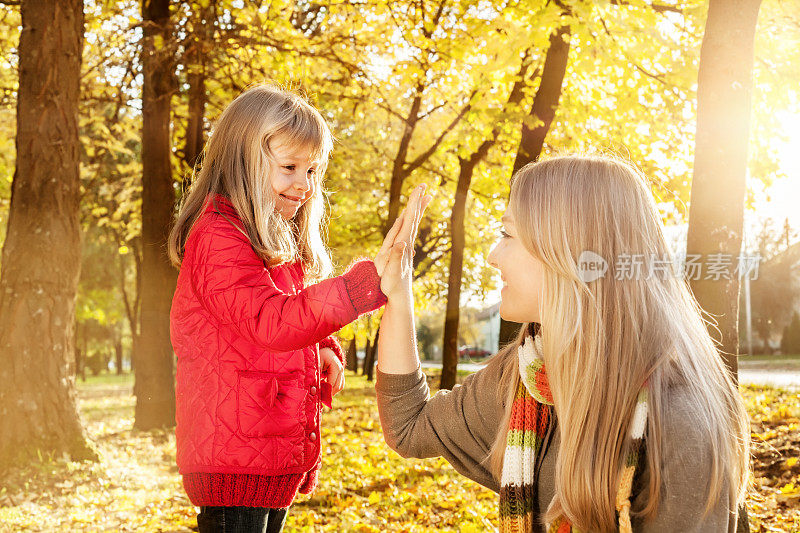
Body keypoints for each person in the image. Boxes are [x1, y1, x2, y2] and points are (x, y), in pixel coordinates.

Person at [375, 154, 751, 532]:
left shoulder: (677, 423)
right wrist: (399, 292)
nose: (492, 256)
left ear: (569, 253)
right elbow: (409, 423)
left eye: (507, 235)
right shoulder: (528, 377)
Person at [168, 84, 427, 532]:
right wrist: (358, 288)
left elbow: (286, 309)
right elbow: (270, 321)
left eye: (312, 170)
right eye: (289, 168)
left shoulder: (270, 238)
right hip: (234, 457)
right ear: (242, 162)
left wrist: (322, 346)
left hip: (264, 450)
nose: (304, 185)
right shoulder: (217, 237)